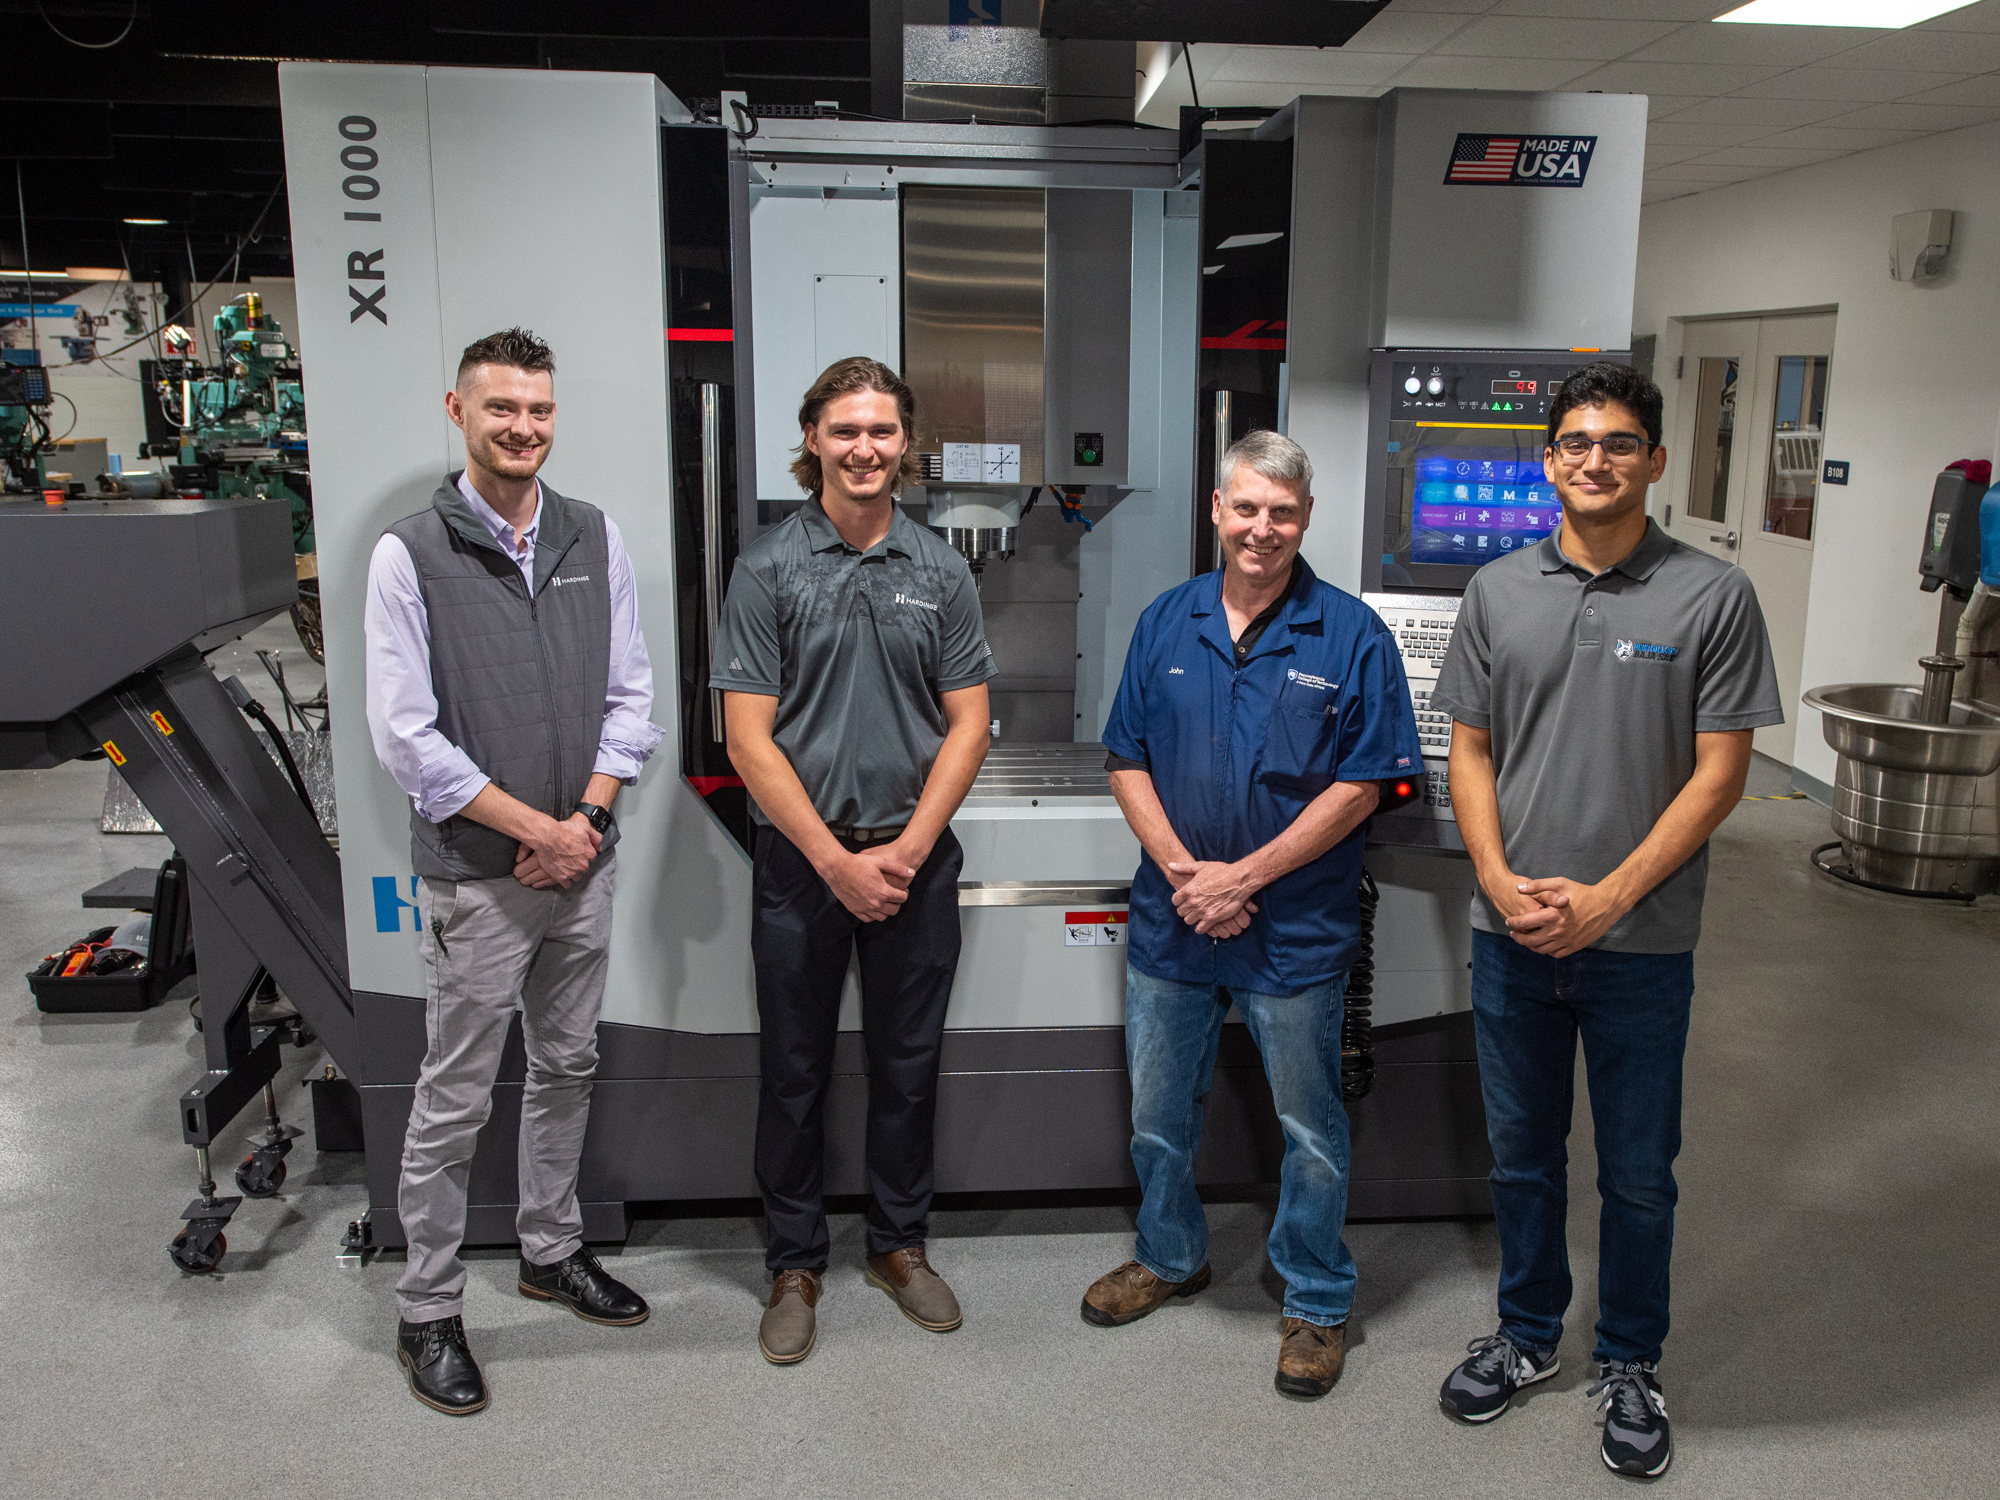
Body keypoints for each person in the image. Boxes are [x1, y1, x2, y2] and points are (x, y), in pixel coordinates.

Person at [1429, 362, 1781, 1477]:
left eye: (1619, 443)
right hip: (1513, 936)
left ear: (1654, 462)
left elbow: (1720, 775)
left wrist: (1612, 896)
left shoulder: (1710, 596)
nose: (1595, 459)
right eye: (1575, 441)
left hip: (1638, 945)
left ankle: (1629, 1359)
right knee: (1523, 1159)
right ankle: (1529, 1336)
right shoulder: (1495, 589)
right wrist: (1491, 876)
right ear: (1546, 461)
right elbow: (1470, 746)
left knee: (1637, 1169)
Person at [1081, 429, 1423, 1400]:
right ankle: (1166, 1253)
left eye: (1281, 512)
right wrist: (1189, 874)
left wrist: (1246, 879)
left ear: (1303, 519)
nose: (1260, 529)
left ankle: (1315, 1300)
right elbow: (1125, 757)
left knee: (1309, 1127)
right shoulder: (1166, 621)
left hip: (1296, 930)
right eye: (1245, 508)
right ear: (1216, 510)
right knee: (1156, 1117)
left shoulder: (1350, 634)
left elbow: (1364, 786)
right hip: (1171, 922)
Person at [364, 327, 664, 1416]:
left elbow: (632, 697)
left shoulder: (594, 536)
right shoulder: (410, 553)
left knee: (567, 1066)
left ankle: (549, 1249)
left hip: (582, 861)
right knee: (452, 1098)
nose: (521, 428)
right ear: (458, 412)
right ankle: (427, 1309)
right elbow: (407, 740)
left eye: (536, 409)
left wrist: (582, 819)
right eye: (500, 409)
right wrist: (532, 831)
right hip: (482, 879)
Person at [712, 356, 995, 1366]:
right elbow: (747, 740)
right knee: (792, 1071)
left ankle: (896, 1245)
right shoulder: (768, 568)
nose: (864, 449)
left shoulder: (942, 569)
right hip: (801, 869)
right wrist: (834, 861)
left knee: (904, 1067)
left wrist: (909, 848)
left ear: (903, 444)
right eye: (844, 432)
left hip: (913, 863)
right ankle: (794, 1262)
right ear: (813, 443)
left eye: (880, 431)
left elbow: (969, 724)